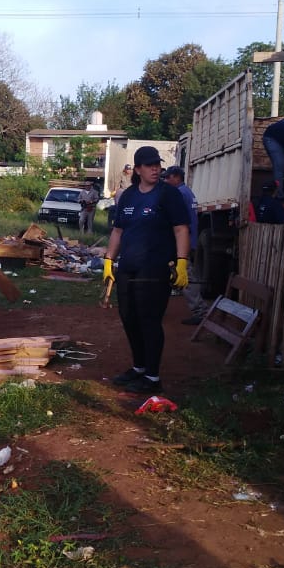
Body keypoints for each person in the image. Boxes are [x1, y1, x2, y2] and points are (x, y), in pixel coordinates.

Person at [104, 146, 191, 394]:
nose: (156, 168)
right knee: (129, 318)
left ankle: (153, 377)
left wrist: (182, 261)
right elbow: (118, 230)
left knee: (149, 320)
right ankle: (139, 367)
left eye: (158, 164)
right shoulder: (129, 196)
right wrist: (109, 261)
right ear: (139, 169)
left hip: (154, 268)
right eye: (150, 165)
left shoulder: (168, 194)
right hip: (128, 268)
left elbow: (181, 229)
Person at [163, 166, 209, 325]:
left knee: (187, 276)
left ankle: (201, 311)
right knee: (175, 274)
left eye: (167, 177)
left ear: (176, 177)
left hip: (182, 242)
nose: (165, 180)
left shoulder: (179, 194)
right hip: (189, 239)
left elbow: (178, 221)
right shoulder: (188, 192)